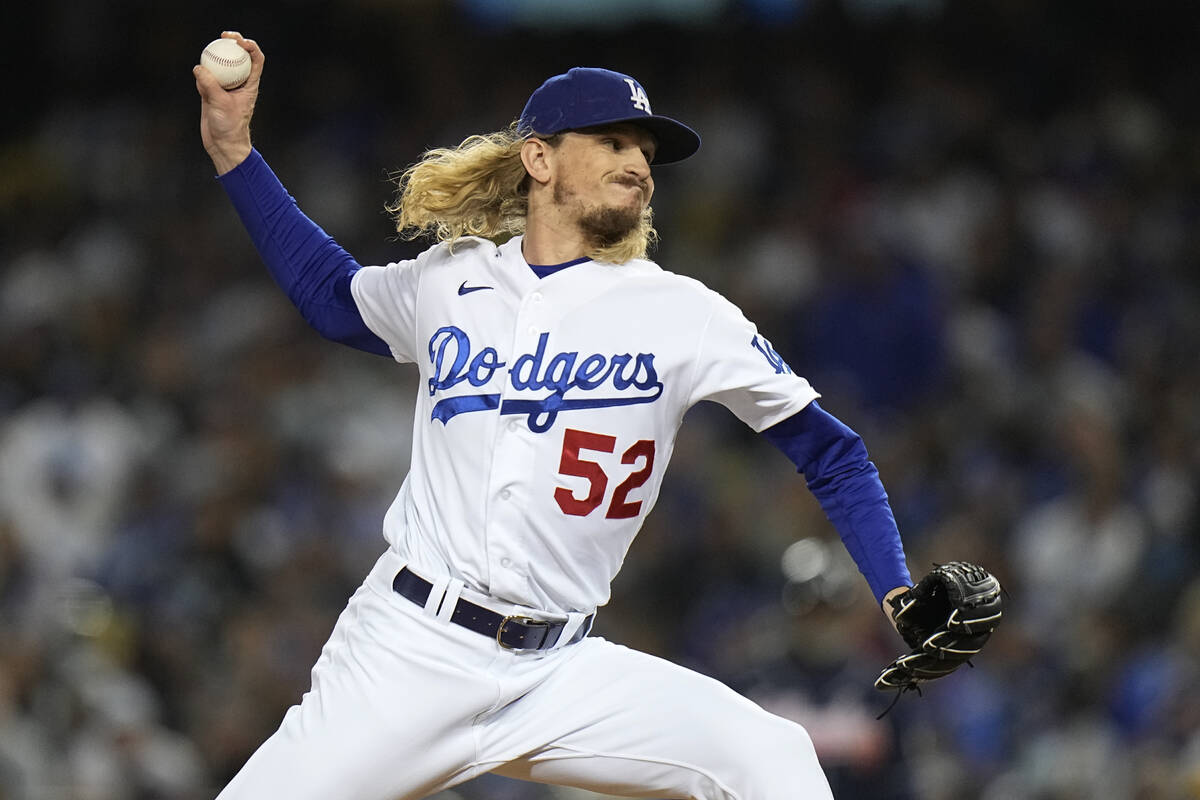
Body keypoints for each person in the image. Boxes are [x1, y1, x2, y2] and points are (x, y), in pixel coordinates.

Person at [194, 31, 914, 800]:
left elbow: (833, 455)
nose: (637, 164)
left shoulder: (683, 313)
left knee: (773, 758)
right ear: (540, 159)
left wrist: (898, 592)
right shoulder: (453, 280)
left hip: (559, 672)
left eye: (643, 150)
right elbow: (330, 296)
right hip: (407, 654)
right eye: (611, 141)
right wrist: (234, 149)